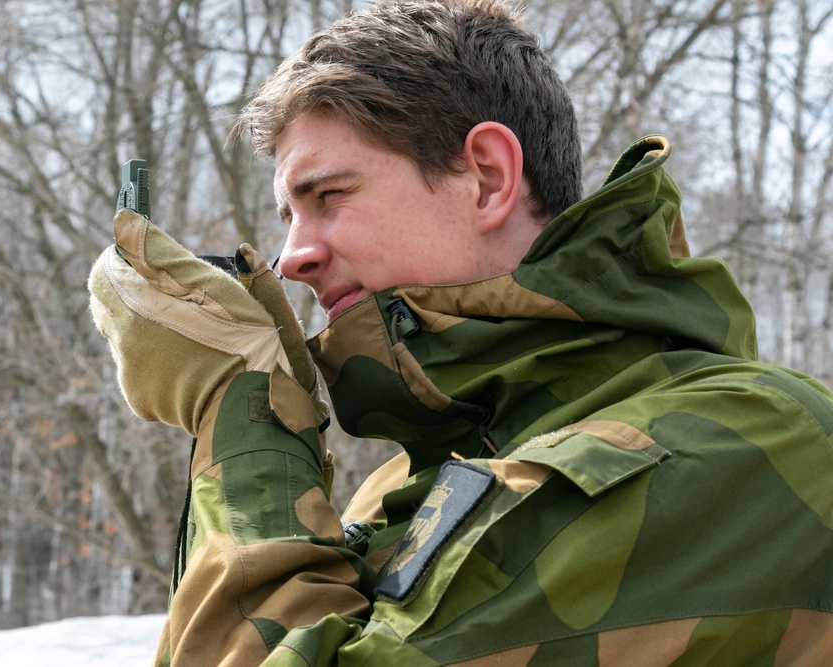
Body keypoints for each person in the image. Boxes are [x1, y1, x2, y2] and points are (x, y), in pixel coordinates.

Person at [87, 0, 833, 664]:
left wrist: (245, 409)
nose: (292, 258)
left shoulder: (742, 441)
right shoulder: (398, 490)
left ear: (487, 177)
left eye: (328, 196)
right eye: (288, 216)